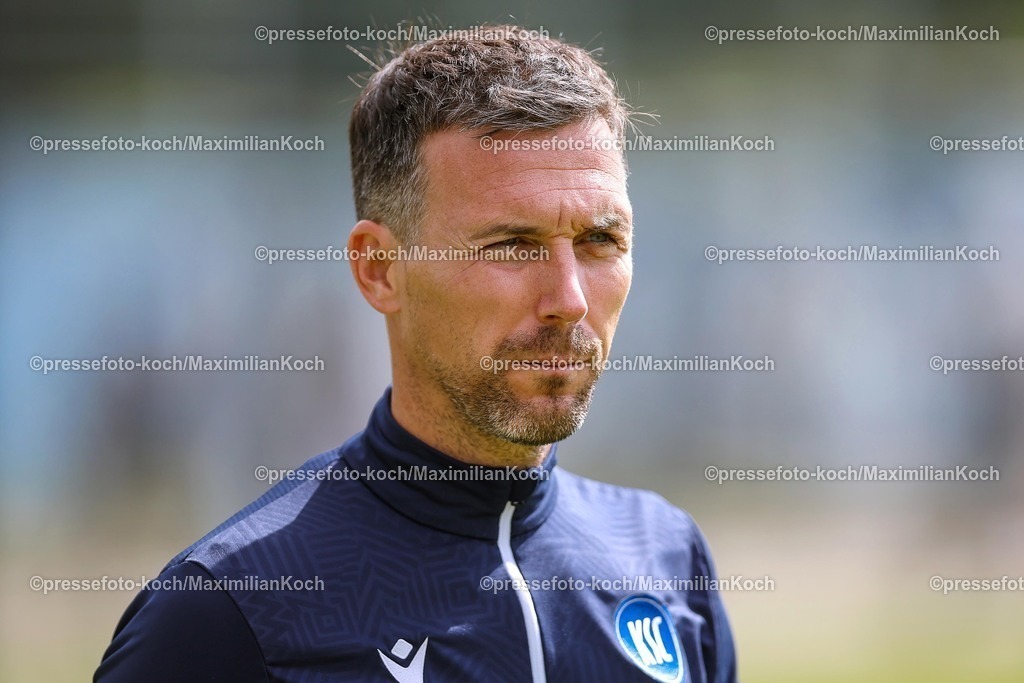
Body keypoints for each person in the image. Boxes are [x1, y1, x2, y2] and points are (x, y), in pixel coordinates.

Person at [95, 25, 738, 683]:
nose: (569, 300)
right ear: (380, 269)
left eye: (600, 239)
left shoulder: (666, 560)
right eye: (511, 245)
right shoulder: (229, 611)